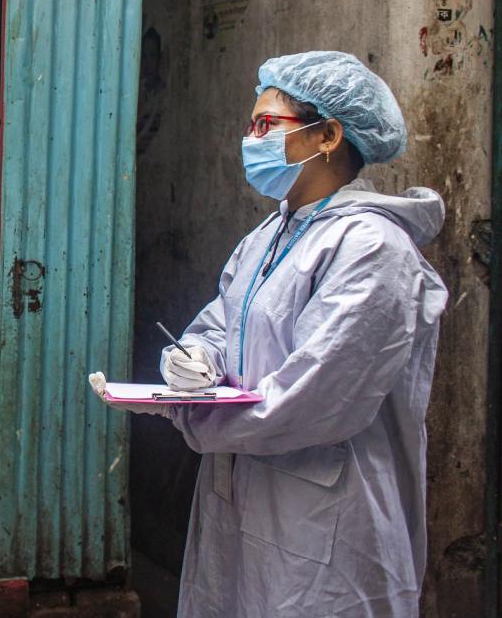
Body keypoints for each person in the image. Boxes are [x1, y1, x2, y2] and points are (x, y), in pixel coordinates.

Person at [91, 51, 448, 616]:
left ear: (328, 134)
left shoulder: (372, 248)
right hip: (242, 498)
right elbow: (220, 324)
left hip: (326, 519)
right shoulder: (269, 235)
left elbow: (316, 399)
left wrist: (193, 415)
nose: (249, 140)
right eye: (250, 125)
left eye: (264, 125)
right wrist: (195, 362)